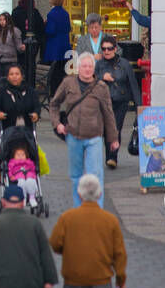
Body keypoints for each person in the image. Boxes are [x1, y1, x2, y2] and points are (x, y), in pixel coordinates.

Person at [49, 52, 119, 208]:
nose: (87, 69)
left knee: (95, 176)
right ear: (78, 68)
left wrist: (113, 139)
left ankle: (97, 209)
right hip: (73, 136)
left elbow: (108, 113)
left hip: (94, 137)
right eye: (84, 66)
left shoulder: (101, 87)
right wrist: (57, 124)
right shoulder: (68, 83)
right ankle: (78, 208)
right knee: (75, 176)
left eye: (90, 66)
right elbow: (53, 104)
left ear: (94, 69)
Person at [96, 34, 143, 170]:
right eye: (103, 49)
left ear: (115, 49)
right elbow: (90, 81)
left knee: (116, 129)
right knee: (106, 130)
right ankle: (109, 156)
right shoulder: (99, 65)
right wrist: (101, 77)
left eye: (109, 48)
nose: (106, 52)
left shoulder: (124, 64)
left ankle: (113, 157)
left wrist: (138, 106)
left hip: (120, 101)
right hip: (104, 102)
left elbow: (133, 85)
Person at [0, 62, 40, 133]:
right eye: (11, 74)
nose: (14, 77)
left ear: (22, 76)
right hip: (6, 129)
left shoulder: (30, 91)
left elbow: (37, 106)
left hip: (27, 130)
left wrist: (36, 114)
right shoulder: (1, 91)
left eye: (17, 74)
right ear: (8, 77)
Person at [44, 0, 72, 98]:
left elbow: (51, 31)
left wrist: (45, 25)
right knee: (62, 71)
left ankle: (54, 92)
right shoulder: (65, 13)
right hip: (64, 44)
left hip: (54, 46)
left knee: (54, 72)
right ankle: (63, 91)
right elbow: (68, 28)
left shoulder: (51, 14)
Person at [11, 0, 45, 74]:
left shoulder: (16, 12)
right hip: (33, 44)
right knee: (30, 66)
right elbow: (41, 30)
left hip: (19, 43)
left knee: (20, 65)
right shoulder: (35, 13)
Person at [0, 12, 23, 84]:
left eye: (4, 20)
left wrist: (21, 48)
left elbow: (18, 46)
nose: (2, 22)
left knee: (8, 82)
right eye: (0, 20)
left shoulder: (14, 31)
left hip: (10, 60)